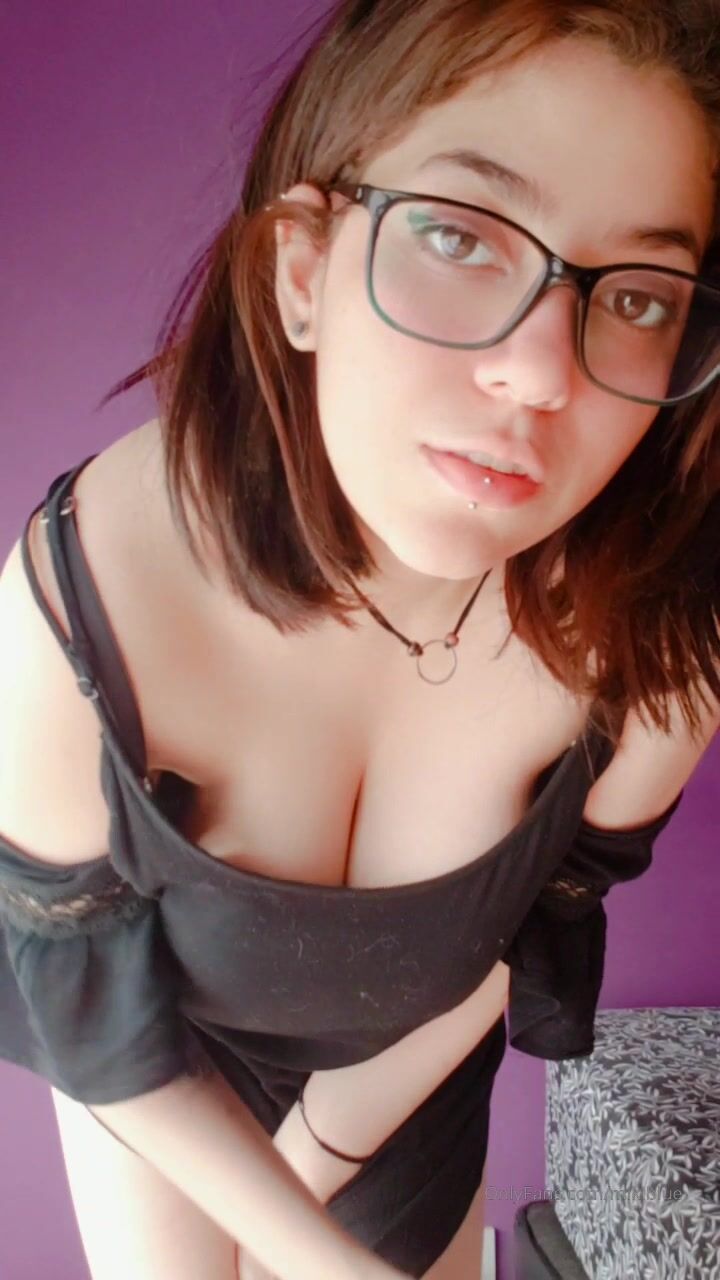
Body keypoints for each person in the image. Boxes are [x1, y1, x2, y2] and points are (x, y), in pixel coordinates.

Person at [1, 1, 719, 1277]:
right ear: (302, 272)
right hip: (160, 1079)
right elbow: (89, 1009)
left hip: (412, 1081)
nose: (540, 373)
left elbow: (536, 922)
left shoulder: (660, 646)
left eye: (638, 297)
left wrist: (326, 1169)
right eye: (460, 235)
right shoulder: (86, 602)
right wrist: (303, 1247)